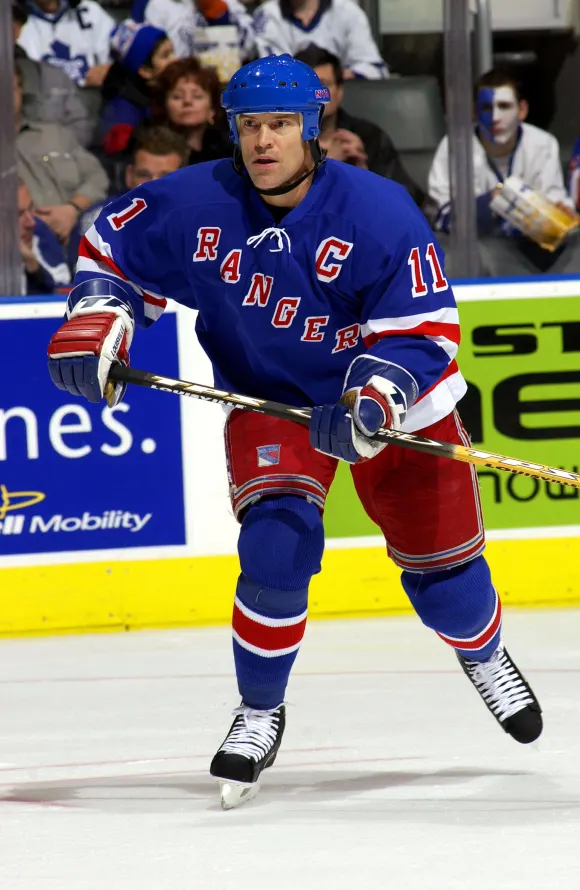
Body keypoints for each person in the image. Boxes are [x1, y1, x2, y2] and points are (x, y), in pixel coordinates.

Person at [46, 54, 543, 811]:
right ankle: (259, 710)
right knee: (276, 543)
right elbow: (110, 244)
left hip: (397, 408)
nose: (263, 141)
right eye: (249, 126)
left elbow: (425, 330)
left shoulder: (378, 211)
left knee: (447, 584)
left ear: (312, 130)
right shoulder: (197, 202)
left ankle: (484, 654)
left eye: (280, 125)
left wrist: (373, 400)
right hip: (275, 399)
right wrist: (101, 320)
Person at [428, 69, 575, 237]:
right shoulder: (454, 147)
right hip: (477, 252)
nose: (494, 118)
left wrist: (562, 210)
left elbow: (553, 200)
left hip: (530, 252)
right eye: (486, 108)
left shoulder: (543, 144)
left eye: (504, 106)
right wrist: (492, 201)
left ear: (522, 110)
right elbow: (441, 219)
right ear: (474, 112)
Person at [294, 45, 425, 206]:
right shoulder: (278, 140)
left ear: (340, 91)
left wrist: (364, 173)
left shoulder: (369, 136)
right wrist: (325, 166)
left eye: (323, 85)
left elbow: (408, 203)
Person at [67, 124, 189, 264]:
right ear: (129, 176)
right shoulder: (98, 221)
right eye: (144, 175)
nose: (152, 186)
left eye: (165, 177)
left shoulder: (203, 221)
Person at [14, 66, 109, 243]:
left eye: (9, 88)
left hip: (80, 239)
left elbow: (98, 177)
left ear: (21, 89)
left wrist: (72, 208)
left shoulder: (56, 134)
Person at [12, 3, 94, 147]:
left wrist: (44, 158)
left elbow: (80, 128)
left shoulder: (53, 78)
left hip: (47, 164)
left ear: (17, 29)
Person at [254, 0, 388, 80]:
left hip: (342, 101)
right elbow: (274, 71)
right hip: (291, 103)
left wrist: (341, 75)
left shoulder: (348, 12)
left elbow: (375, 69)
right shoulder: (267, 14)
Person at [100, 19, 177, 156]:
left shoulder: (161, 93)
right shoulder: (123, 116)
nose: (175, 60)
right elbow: (118, 162)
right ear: (145, 71)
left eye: (172, 53)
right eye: (165, 56)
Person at [16, 0, 115, 88]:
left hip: (91, 100)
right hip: (39, 103)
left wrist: (108, 73)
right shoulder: (10, 20)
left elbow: (113, 65)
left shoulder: (91, 12)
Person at [150, 58, 231, 164]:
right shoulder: (152, 150)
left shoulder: (228, 154)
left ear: (212, 109)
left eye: (197, 96)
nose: (187, 101)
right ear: (164, 106)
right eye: (177, 96)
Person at [131, 0, 256, 61]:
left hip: (221, 87)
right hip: (174, 87)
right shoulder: (151, 5)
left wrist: (219, 16)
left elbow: (250, 49)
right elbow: (145, 57)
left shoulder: (228, 3)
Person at [18, 181, 71, 294]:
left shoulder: (40, 234)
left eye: (30, 208)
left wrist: (32, 265)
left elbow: (55, 298)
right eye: (18, 214)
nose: (30, 223)